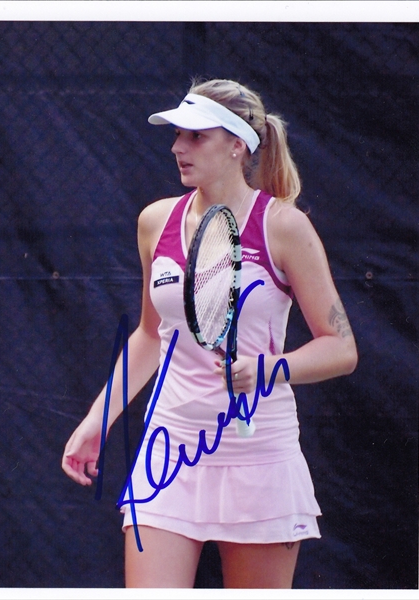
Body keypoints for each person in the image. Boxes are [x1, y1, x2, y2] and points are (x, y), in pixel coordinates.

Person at [61, 78, 357, 588]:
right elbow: (150, 336)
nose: (178, 147)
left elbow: (341, 348)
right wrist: (97, 419)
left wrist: (269, 369)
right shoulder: (155, 221)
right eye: (178, 134)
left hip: (260, 458)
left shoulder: (284, 227)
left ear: (237, 144)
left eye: (196, 136)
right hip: (169, 452)